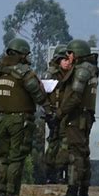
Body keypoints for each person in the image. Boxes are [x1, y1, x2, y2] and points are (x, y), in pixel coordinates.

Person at [0, 38, 50, 196]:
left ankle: (1, 193)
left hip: (2, 119)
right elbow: (38, 94)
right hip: (20, 121)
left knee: (4, 159)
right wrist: (49, 108)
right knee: (16, 157)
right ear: (21, 55)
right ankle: (12, 194)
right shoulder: (24, 73)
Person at [56, 39, 99, 196]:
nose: (68, 57)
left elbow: (75, 96)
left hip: (77, 117)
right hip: (86, 116)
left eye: (70, 53)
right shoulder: (91, 70)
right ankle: (83, 192)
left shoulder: (82, 71)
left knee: (75, 154)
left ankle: (73, 191)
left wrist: (60, 112)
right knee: (83, 153)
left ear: (77, 54)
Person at [41, 44, 71, 184]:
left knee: (65, 144)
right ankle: (50, 173)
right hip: (53, 113)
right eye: (64, 59)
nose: (67, 62)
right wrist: (48, 112)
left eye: (68, 59)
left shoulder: (72, 74)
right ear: (58, 60)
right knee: (53, 143)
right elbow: (43, 95)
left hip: (67, 114)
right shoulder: (50, 74)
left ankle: (61, 173)